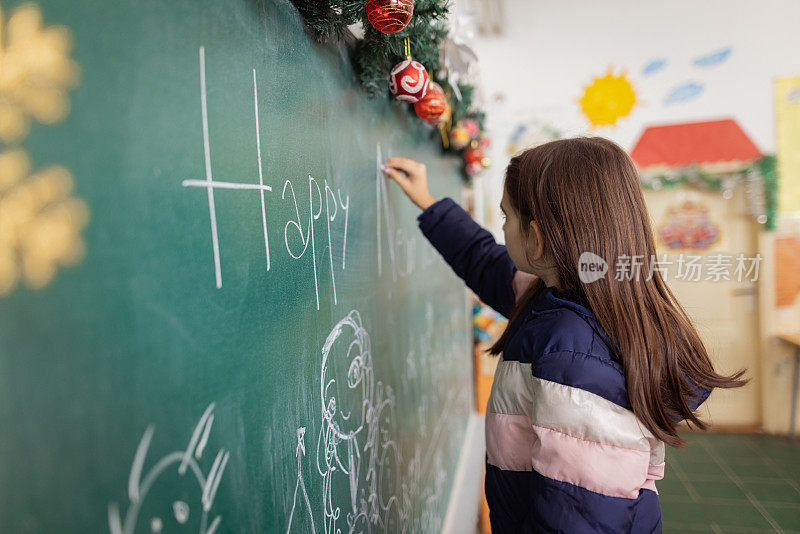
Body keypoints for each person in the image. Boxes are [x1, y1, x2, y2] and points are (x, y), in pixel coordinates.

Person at [382, 137, 749, 533]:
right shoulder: (567, 298)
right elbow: (486, 262)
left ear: (537, 240)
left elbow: (577, 521)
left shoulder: (573, 361)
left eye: (506, 218)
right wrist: (430, 203)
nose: (503, 228)